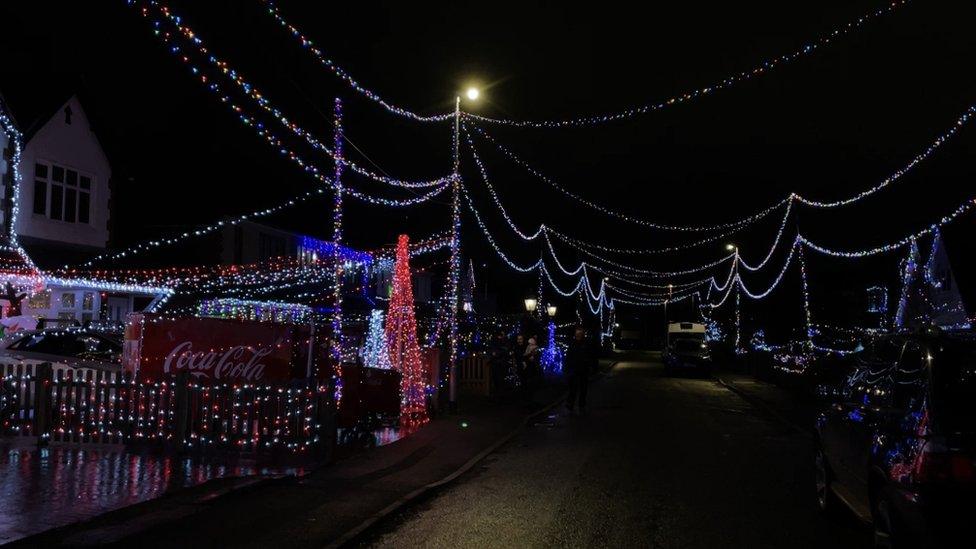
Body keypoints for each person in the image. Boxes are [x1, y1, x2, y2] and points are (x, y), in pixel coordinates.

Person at [564, 326, 595, 414]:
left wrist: (590, 365)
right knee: (573, 387)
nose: (578, 335)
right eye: (577, 334)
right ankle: (571, 403)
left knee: (583, 388)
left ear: (582, 334)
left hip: (583, 369)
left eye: (580, 334)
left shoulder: (586, 344)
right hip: (574, 369)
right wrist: (567, 367)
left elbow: (591, 355)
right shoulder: (572, 344)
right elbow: (568, 356)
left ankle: (581, 404)